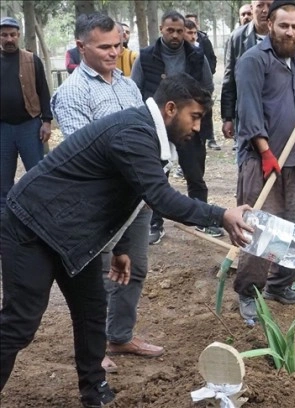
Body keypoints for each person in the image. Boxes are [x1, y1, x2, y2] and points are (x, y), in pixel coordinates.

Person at [0, 72, 254, 408]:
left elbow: (125, 192)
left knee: (92, 313)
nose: (196, 128)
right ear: (170, 108)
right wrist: (221, 214)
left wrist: (119, 247)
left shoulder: (144, 133)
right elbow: (160, 198)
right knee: (21, 322)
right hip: (31, 224)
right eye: (194, 117)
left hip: (74, 236)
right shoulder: (133, 133)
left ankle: (94, 391)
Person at [51, 12, 161, 374]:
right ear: (81, 46)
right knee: (96, 275)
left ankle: (120, 334)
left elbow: (143, 133)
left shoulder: (128, 85)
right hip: (99, 203)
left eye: (118, 45)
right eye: (105, 47)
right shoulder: (71, 94)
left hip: (136, 197)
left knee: (137, 267)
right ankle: (94, 347)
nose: (115, 52)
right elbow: (88, 153)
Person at [233, 0, 295, 324]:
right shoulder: (252, 60)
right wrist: (265, 152)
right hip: (261, 161)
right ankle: (248, 293)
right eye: (284, 26)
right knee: (257, 230)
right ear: (269, 25)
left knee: (294, 227)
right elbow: (249, 111)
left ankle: (280, 285)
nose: (290, 32)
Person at [131, 10, 219, 242]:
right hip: (157, 126)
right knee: (158, 175)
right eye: (170, 30)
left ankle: (203, 219)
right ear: (161, 29)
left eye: (180, 31)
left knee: (195, 174)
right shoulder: (146, 56)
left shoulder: (197, 56)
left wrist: (195, 115)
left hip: (188, 126)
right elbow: (134, 89)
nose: (176, 35)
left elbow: (208, 87)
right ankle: (155, 225)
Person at [0, 17, 52, 216]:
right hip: (3, 128)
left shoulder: (31, 59)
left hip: (29, 125)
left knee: (37, 174)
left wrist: (46, 121)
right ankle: (5, 222)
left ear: (19, 35)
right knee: (3, 179)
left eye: (13, 34)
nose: (9, 39)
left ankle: (40, 215)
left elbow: (44, 91)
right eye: (4, 35)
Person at [221, 0, 274, 144]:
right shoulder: (236, 38)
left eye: (269, 5)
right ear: (252, 8)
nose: (265, 10)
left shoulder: (286, 35)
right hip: (247, 114)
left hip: (278, 114)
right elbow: (229, 80)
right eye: (260, 5)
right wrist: (227, 118)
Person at [185, 13, 221, 151]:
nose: (193, 36)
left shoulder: (204, 41)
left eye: (194, 32)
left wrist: (208, 72)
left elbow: (211, 58)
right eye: (189, 32)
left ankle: (209, 138)